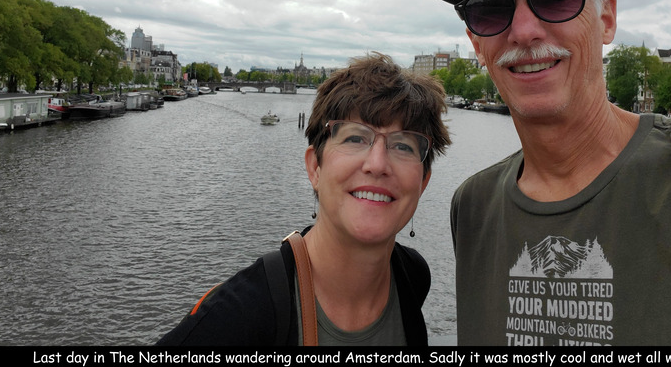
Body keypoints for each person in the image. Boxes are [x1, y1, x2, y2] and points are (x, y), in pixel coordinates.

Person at [431, 0, 671, 345]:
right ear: (476, 44)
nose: (523, 31)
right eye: (490, 10)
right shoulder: (473, 207)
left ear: (607, 20)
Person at [156, 53, 451, 345]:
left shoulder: (412, 275)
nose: (377, 164)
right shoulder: (238, 317)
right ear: (315, 168)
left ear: (423, 182)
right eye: (355, 138)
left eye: (403, 146)